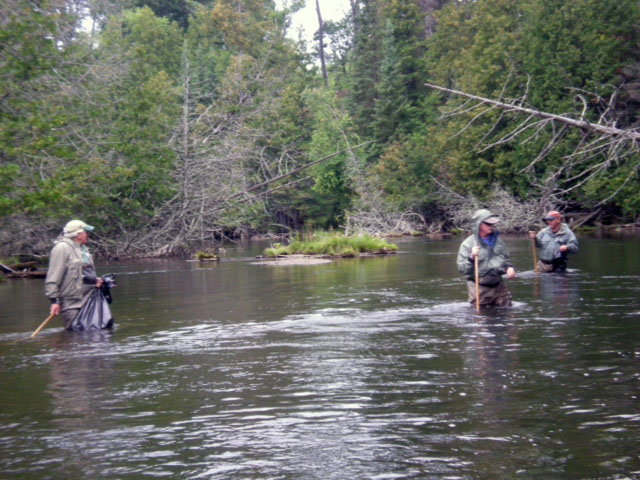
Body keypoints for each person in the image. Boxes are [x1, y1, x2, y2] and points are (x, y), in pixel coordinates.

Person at [45, 220, 103, 330]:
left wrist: (95, 280)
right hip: (71, 303)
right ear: (78, 234)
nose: (87, 234)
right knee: (75, 337)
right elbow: (53, 277)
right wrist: (54, 301)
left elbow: (83, 273)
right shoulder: (61, 248)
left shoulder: (84, 249)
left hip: (89, 299)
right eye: (86, 232)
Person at [457, 209, 516, 307]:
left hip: (499, 287)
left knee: (507, 314)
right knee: (482, 318)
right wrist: (471, 257)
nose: (491, 226)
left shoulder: (498, 241)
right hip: (479, 289)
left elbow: (506, 260)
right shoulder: (467, 245)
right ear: (479, 225)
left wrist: (509, 268)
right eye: (488, 224)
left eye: (492, 224)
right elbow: (463, 269)